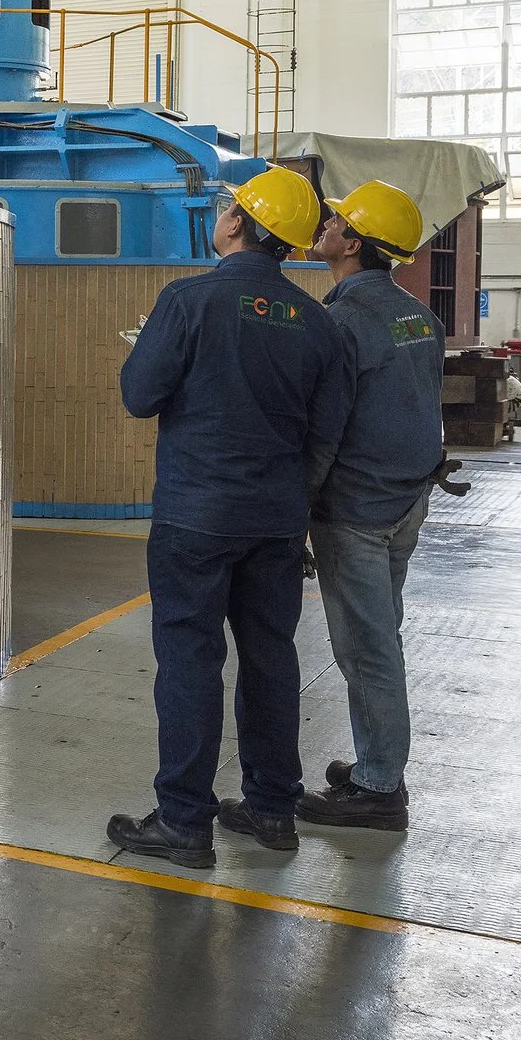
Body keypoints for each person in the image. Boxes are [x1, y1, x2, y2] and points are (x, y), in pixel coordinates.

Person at [106, 166, 352, 869]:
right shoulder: (317, 320)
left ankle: (185, 821)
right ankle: (274, 808)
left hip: (195, 515)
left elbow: (139, 394)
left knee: (189, 659)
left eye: (226, 207)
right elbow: (327, 429)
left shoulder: (187, 301)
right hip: (276, 519)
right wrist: (293, 502)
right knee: (271, 656)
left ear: (238, 223)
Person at [296, 180, 444, 834]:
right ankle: (372, 761)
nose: (323, 223)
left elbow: (324, 428)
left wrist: (296, 505)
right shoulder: (421, 316)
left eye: (335, 220)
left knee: (366, 647)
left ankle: (380, 786)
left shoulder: (343, 321)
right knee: (382, 635)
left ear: (352, 243)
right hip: (407, 501)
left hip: (356, 509)